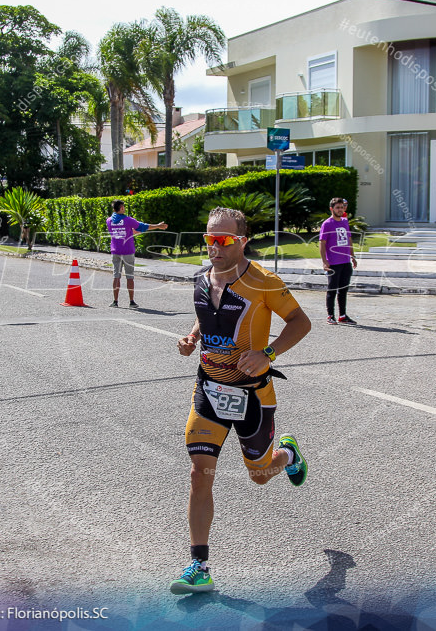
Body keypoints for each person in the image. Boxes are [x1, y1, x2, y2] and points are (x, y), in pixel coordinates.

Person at [171, 207, 312, 595]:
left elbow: (301, 322)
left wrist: (267, 353)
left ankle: (288, 456)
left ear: (243, 241)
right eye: (209, 239)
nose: (215, 246)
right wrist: (191, 338)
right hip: (210, 391)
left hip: (253, 396)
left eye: (224, 240)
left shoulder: (265, 282)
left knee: (259, 475)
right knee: (200, 474)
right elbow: (208, 315)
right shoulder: (201, 279)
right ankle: (199, 565)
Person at [105, 200, 167, 308]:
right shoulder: (128, 220)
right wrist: (157, 226)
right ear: (121, 208)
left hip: (115, 251)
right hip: (128, 251)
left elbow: (121, 231)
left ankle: (115, 301)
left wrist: (134, 232)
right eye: (123, 206)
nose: (124, 208)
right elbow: (142, 226)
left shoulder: (109, 221)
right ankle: (131, 301)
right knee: (129, 277)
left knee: (116, 276)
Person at [319, 197, 358, 325]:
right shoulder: (327, 224)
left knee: (343, 290)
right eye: (337, 207)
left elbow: (349, 239)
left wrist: (352, 256)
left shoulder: (345, 222)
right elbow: (322, 243)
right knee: (332, 290)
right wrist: (325, 262)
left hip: (345, 261)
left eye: (342, 207)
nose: (340, 210)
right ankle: (330, 315)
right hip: (333, 263)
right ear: (332, 209)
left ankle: (342, 315)